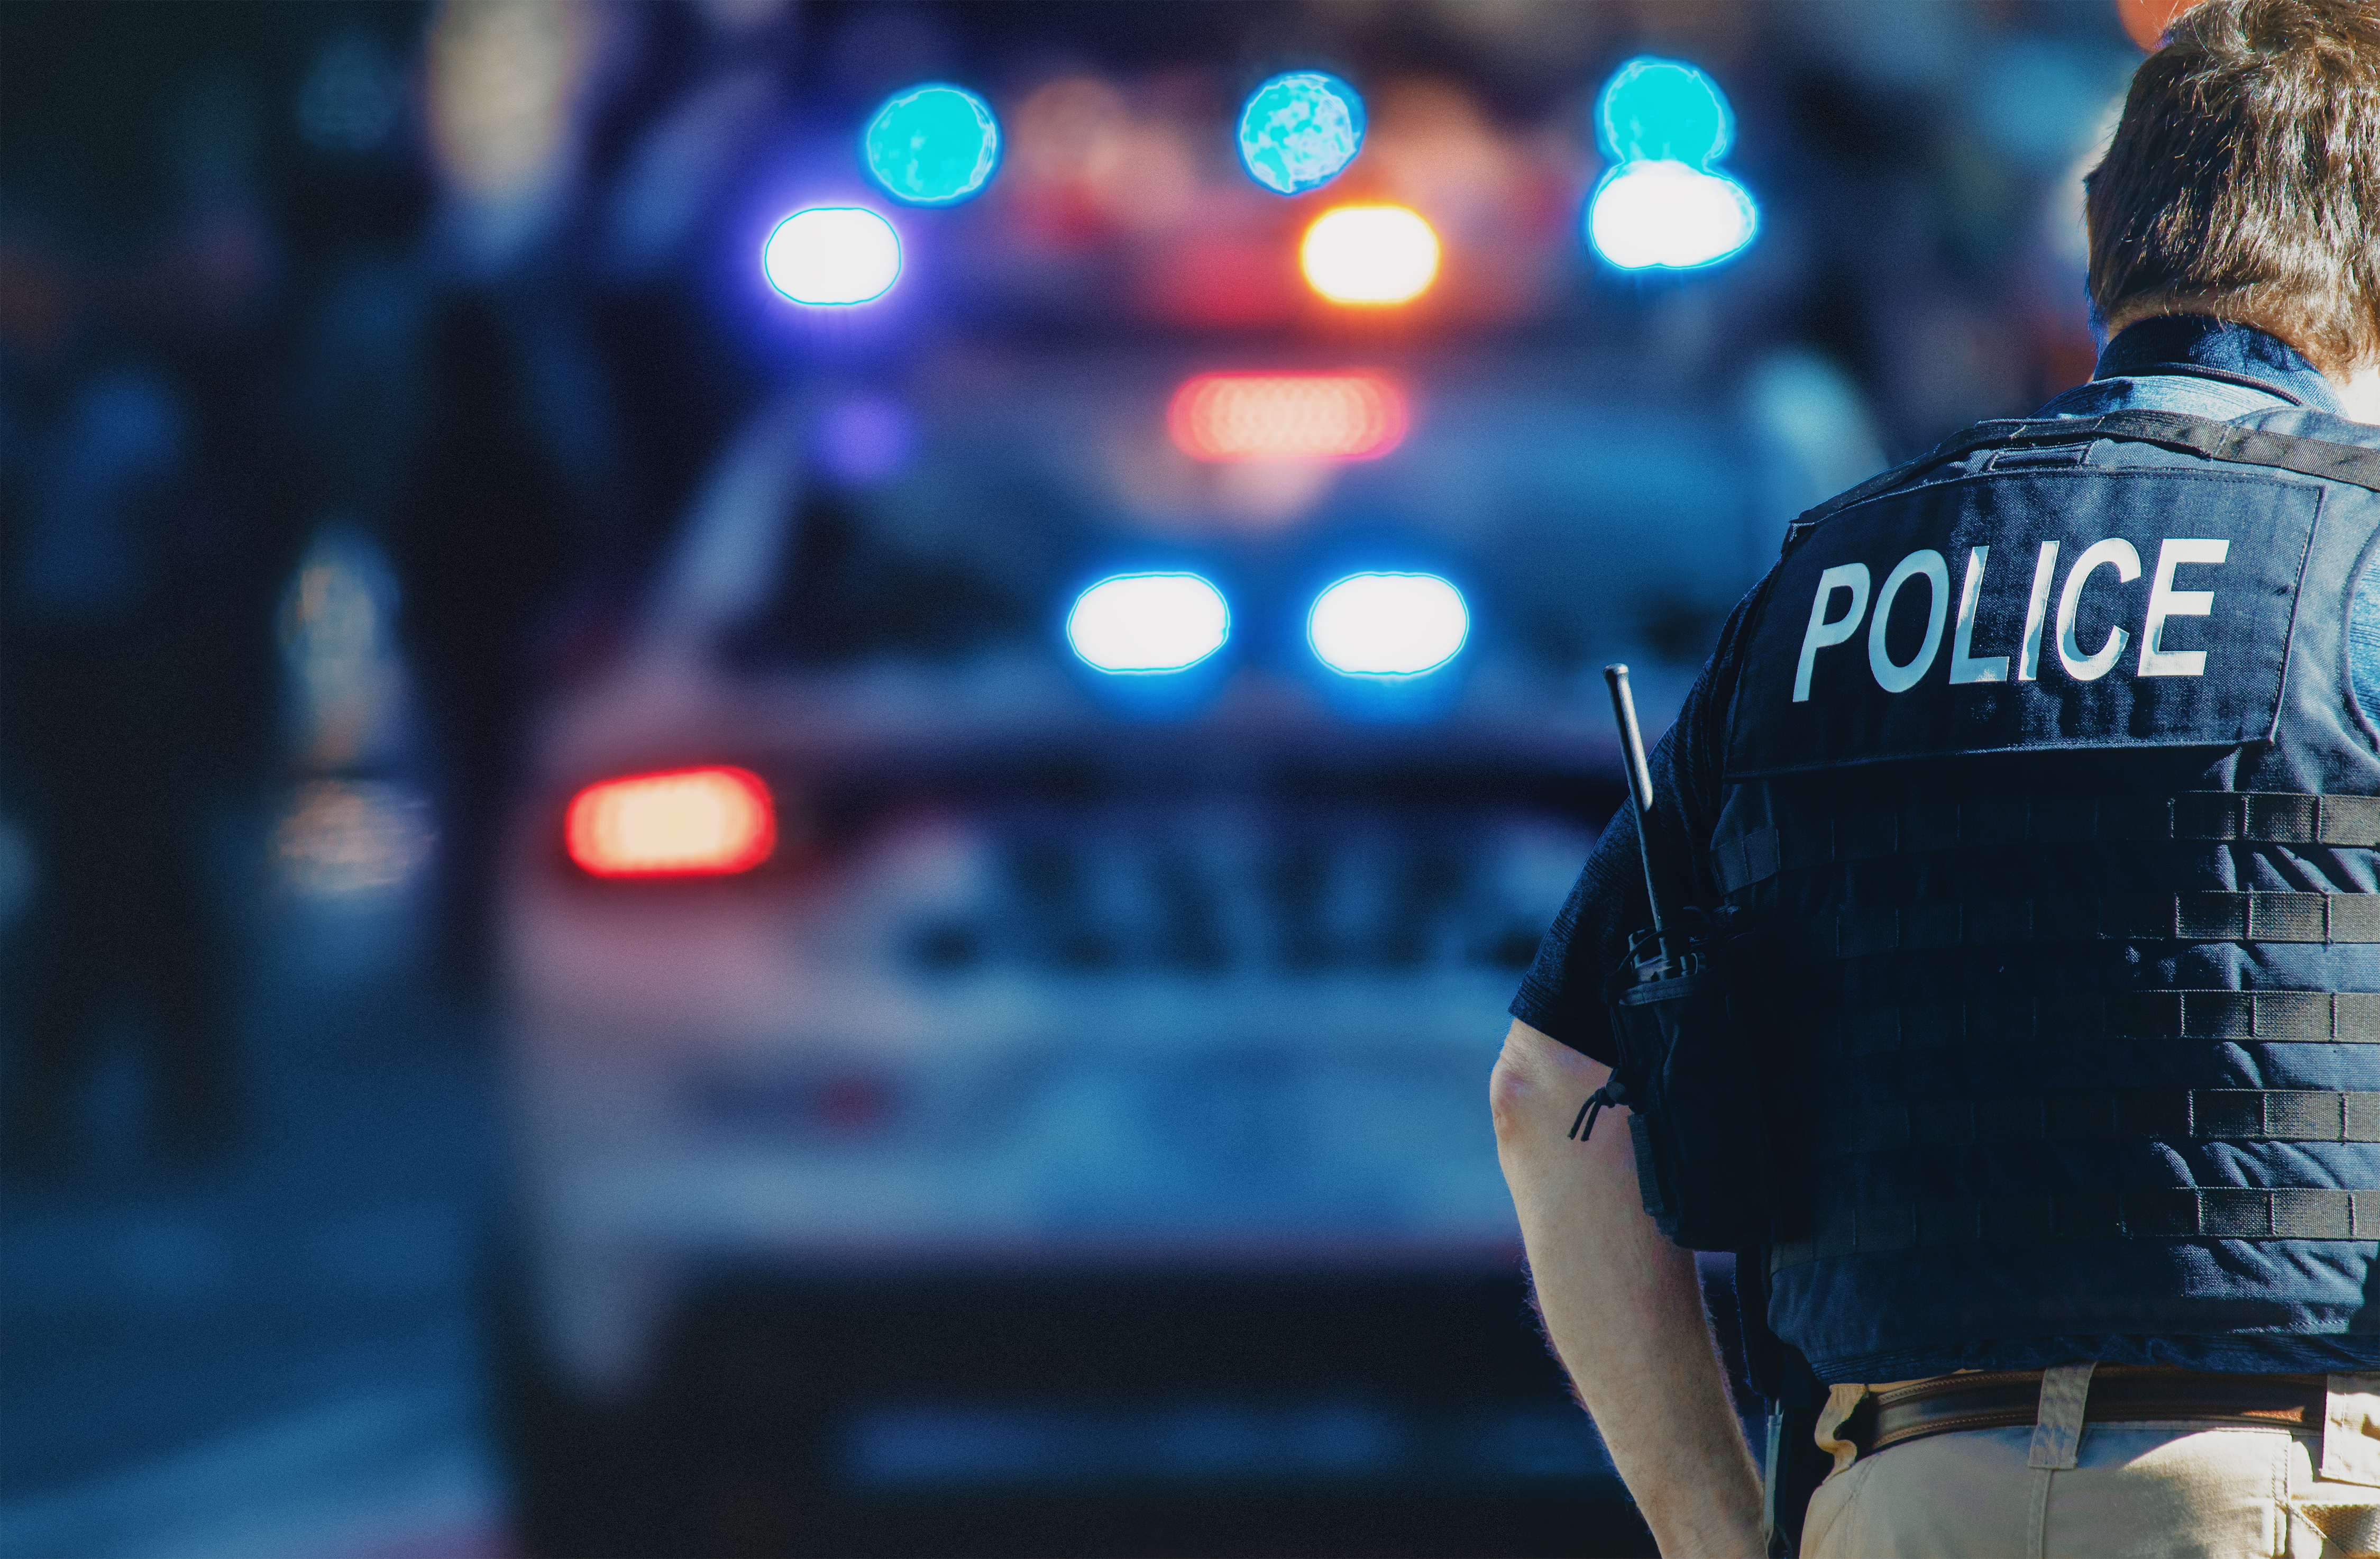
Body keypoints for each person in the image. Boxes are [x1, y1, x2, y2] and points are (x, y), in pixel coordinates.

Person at [1491, 2, 2380, 1554]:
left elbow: (1545, 1093)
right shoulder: (2360, 560)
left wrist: (1718, 1531)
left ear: (2106, 247)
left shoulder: (1829, 587)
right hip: (2294, 1489)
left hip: (1888, 1495)